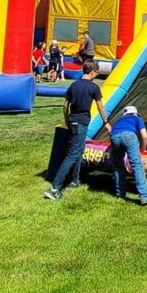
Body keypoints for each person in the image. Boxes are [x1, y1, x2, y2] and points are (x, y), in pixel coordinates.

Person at [44, 59, 109, 199]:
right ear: (92, 72)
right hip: (82, 122)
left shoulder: (74, 85)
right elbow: (100, 107)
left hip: (73, 120)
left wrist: (67, 120)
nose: (96, 75)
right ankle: (54, 188)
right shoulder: (94, 87)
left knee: (78, 151)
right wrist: (106, 122)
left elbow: (65, 105)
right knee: (73, 154)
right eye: (96, 72)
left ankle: (75, 180)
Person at [109, 105, 147, 207]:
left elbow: (111, 132)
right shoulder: (137, 118)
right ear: (135, 113)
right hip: (129, 136)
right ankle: (145, 196)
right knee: (137, 166)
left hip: (114, 137)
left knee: (118, 166)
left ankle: (120, 194)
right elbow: (145, 136)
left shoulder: (119, 120)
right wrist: (142, 149)